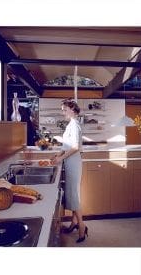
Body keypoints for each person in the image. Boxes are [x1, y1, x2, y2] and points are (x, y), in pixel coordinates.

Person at [50, 98, 88, 243]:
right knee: (72, 195)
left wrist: (61, 158)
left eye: (65, 110)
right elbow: (66, 145)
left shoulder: (75, 125)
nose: (63, 113)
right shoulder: (70, 124)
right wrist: (58, 155)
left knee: (73, 195)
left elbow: (75, 147)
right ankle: (73, 223)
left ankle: (82, 227)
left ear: (72, 110)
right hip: (69, 161)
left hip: (73, 162)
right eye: (63, 110)